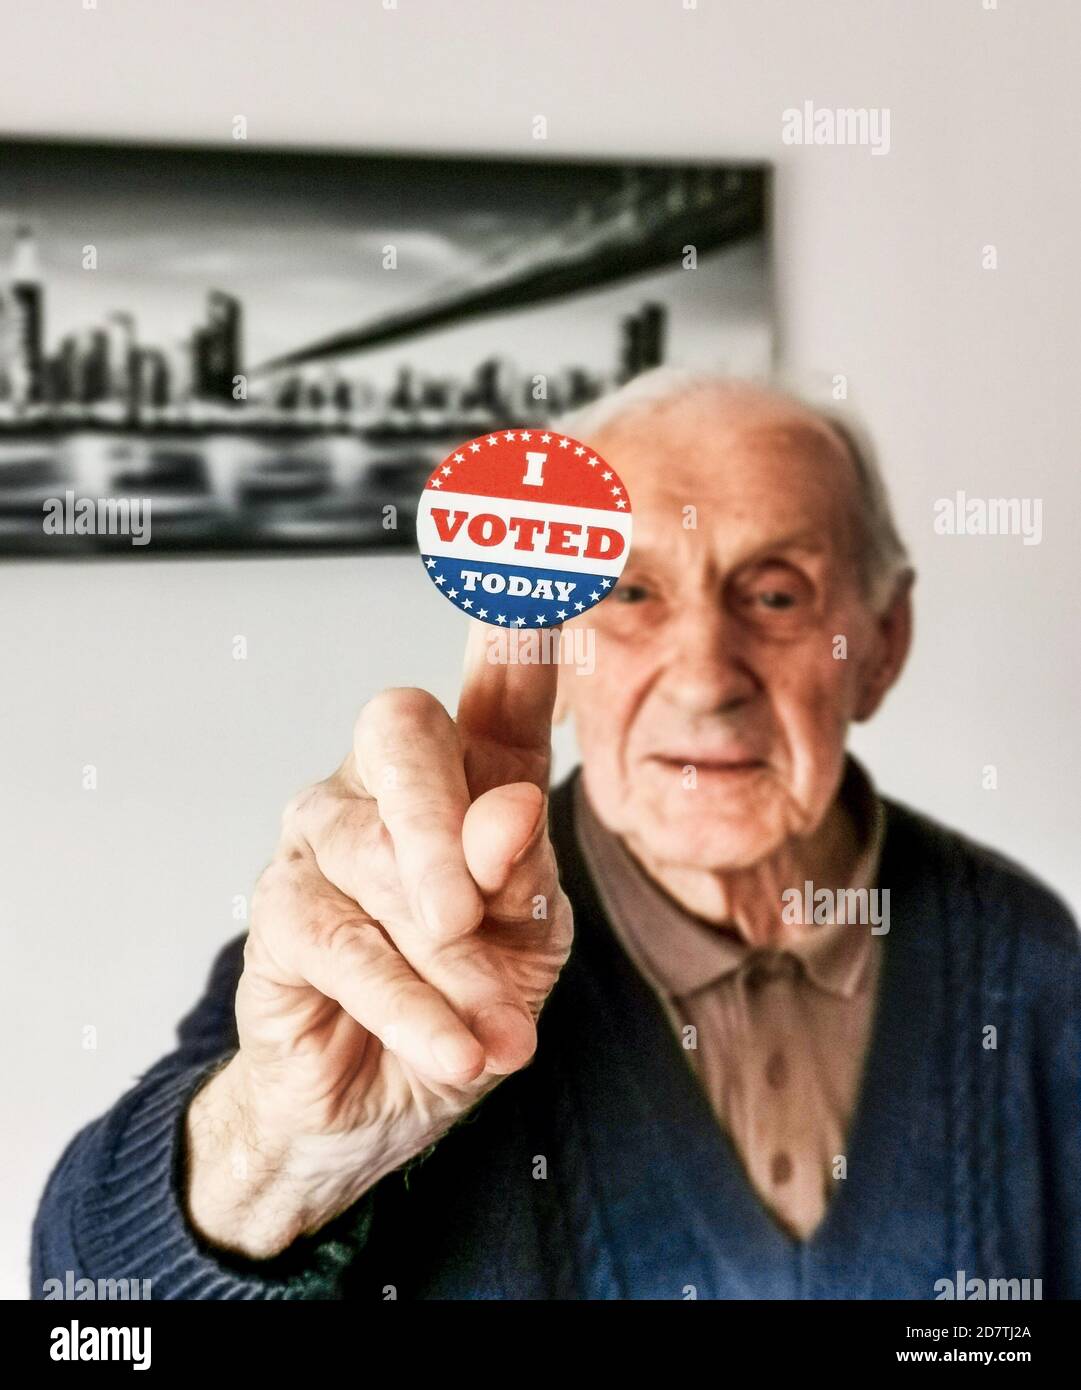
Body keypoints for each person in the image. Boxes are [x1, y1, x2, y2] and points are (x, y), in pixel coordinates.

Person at [32, 371, 1080, 1299]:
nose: (708, 679)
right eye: (630, 593)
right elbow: (87, 1303)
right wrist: (280, 1149)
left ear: (881, 644)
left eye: (775, 593)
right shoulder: (399, 939)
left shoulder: (1027, 958)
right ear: (559, 643)